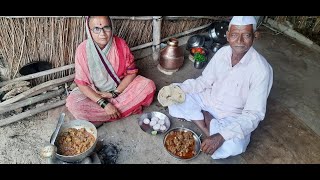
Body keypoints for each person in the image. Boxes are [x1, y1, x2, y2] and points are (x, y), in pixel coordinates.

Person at [167, 16, 273, 159]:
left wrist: (222, 136)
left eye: (246, 35)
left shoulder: (261, 70)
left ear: (255, 36)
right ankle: (206, 125)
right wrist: (179, 90)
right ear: (228, 36)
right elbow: (204, 81)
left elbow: (254, 114)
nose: (240, 41)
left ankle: (205, 119)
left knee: (235, 146)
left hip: (232, 116)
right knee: (173, 93)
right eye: (234, 35)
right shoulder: (223, 52)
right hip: (209, 99)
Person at [66, 16, 156, 127]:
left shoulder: (120, 44)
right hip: (96, 93)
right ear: (89, 30)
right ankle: (119, 110)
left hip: (120, 89)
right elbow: (82, 85)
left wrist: (114, 93)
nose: (102, 33)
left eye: (106, 28)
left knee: (148, 85)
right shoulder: (82, 50)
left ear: (111, 27)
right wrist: (104, 104)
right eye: (96, 29)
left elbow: (131, 73)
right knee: (73, 104)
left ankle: (102, 116)